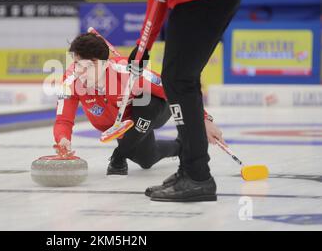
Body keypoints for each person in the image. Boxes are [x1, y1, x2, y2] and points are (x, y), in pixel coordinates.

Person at [124, 0, 242, 202]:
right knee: (178, 79)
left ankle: (197, 175)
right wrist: (144, 47)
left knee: (179, 79)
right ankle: (190, 169)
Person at [53, 33, 226, 176]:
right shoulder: (71, 81)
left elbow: (173, 90)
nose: (79, 72)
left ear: (104, 63)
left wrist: (204, 118)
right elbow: (63, 120)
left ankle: (119, 155)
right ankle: (180, 146)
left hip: (155, 110)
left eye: (86, 66)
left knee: (147, 105)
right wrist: (63, 140)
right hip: (123, 127)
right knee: (146, 160)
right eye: (76, 64)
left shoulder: (129, 72)